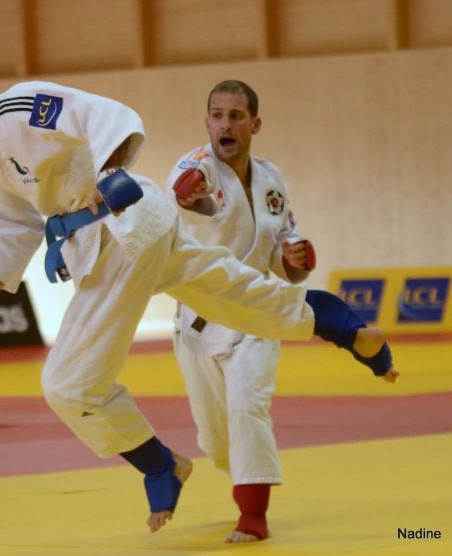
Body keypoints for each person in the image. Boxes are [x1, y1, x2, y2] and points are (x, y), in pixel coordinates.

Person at [0, 74, 396, 533]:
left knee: (67, 383)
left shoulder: (18, 108)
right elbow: (13, 226)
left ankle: (158, 462)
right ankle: (343, 326)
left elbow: (105, 116)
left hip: (122, 228)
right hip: (129, 232)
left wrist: (108, 172)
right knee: (230, 291)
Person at [168, 80, 398, 544]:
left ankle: (253, 514)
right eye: (217, 115)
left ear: (255, 124)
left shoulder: (271, 179)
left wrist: (294, 260)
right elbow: (192, 199)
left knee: (248, 405)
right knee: (216, 441)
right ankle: (240, 473)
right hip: (198, 319)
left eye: (236, 116)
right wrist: (188, 195)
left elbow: (282, 249)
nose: (225, 124)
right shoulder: (195, 167)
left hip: (256, 309)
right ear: (207, 122)